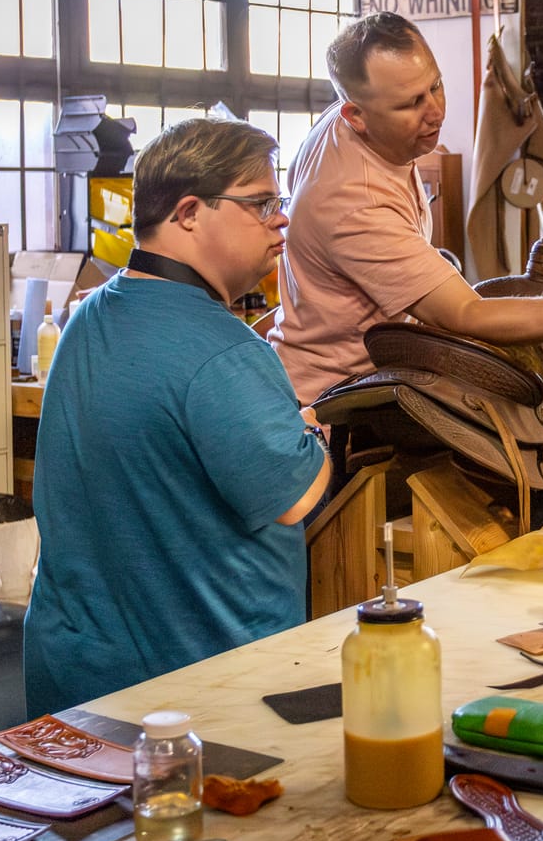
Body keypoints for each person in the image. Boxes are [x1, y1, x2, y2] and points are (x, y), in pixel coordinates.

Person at [24, 118, 331, 715]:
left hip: (78, 679)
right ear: (189, 212)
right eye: (261, 204)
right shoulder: (222, 349)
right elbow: (294, 497)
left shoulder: (87, 318)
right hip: (199, 698)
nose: (281, 220)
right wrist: (313, 430)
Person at [270, 12, 543, 404]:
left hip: (377, 367)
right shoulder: (352, 201)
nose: (435, 111)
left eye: (435, 86)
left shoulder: (343, 125)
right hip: (335, 396)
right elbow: (465, 312)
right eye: (411, 103)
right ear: (355, 115)